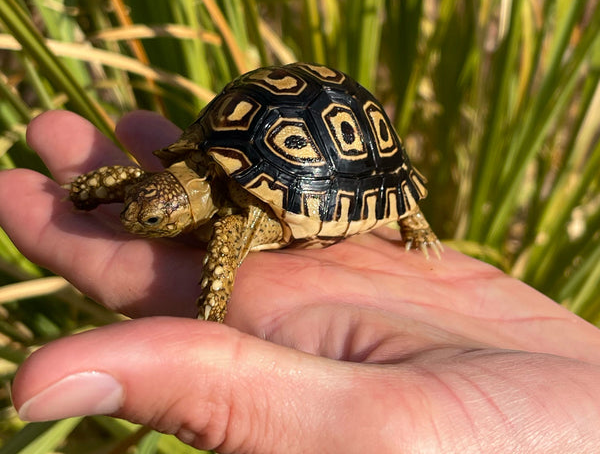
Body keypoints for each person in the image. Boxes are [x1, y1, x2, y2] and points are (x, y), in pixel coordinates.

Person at [1, 110, 600, 454]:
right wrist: (89, 191)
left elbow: (221, 265)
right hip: (237, 146)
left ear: (182, 211)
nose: (138, 222)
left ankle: (408, 212)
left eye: (152, 218)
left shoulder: (238, 219)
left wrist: (207, 319)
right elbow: (135, 187)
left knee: (228, 245)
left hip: (319, 157)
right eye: (146, 210)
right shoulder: (173, 183)